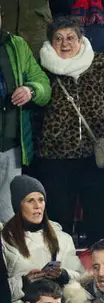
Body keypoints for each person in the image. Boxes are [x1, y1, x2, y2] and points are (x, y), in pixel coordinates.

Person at [33, 17, 104, 244]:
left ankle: (103, 269)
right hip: (55, 158)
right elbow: (35, 115)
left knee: (101, 220)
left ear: (81, 39)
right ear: (51, 42)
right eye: (58, 38)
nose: (65, 43)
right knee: (58, 223)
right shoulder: (42, 69)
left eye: (71, 38)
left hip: (97, 156)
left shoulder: (101, 63)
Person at [0, 179, 77, 303]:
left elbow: (81, 279)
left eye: (41, 200)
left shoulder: (63, 238)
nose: (37, 206)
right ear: (18, 205)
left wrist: (63, 275)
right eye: (30, 201)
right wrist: (24, 282)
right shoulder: (5, 240)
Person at [0, 20, 49, 224]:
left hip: (11, 146)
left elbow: (43, 85)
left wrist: (31, 90)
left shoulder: (15, 44)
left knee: (10, 218)